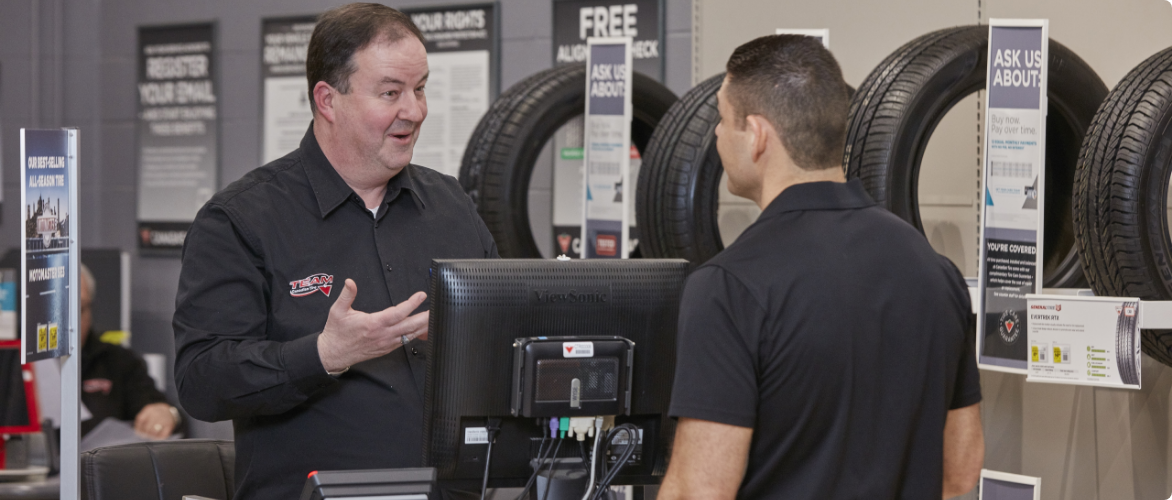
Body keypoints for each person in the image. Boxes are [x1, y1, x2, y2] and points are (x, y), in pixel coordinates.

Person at [172, 4, 497, 498]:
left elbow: (502, 333)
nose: (414, 110)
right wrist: (325, 354)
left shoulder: (451, 206)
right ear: (328, 100)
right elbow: (202, 380)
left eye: (420, 88)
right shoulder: (241, 219)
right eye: (391, 92)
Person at [657, 35, 984, 499]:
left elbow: (699, 491)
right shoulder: (935, 273)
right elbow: (960, 471)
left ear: (757, 135)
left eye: (722, 119)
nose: (715, 134)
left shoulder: (728, 287)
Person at [79, 263, 180, 439]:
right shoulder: (17, 358)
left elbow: (160, 409)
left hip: (98, 464)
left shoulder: (118, 361)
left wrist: (167, 415)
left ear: (90, 310)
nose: (69, 323)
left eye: (79, 309)